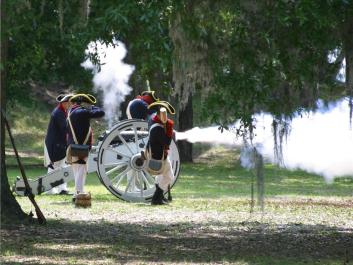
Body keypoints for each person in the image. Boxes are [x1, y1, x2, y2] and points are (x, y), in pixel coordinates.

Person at [66, 94, 105, 201]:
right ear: (82, 103)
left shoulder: (72, 110)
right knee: (81, 171)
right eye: (88, 104)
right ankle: (78, 194)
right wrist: (92, 107)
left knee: (78, 171)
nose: (90, 106)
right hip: (80, 146)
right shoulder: (81, 112)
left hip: (73, 145)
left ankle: (78, 192)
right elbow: (101, 112)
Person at [146, 102, 175, 205]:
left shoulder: (152, 121)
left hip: (156, 154)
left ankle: (159, 197)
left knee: (161, 176)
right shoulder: (158, 128)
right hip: (158, 156)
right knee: (169, 177)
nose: (165, 117)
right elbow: (167, 142)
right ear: (159, 114)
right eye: (163, 114)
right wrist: (170, 130)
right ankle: (156, 198)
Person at [44, 93, 73, 195]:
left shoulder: (61, 111)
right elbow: (65, 128)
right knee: (55, 166)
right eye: (69, 102)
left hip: (57, 143)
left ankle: (59, 189)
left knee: (60, 166)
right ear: (64, 103)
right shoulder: (59, 113)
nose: (70, 104)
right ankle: (51, 189)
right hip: (55, 144)